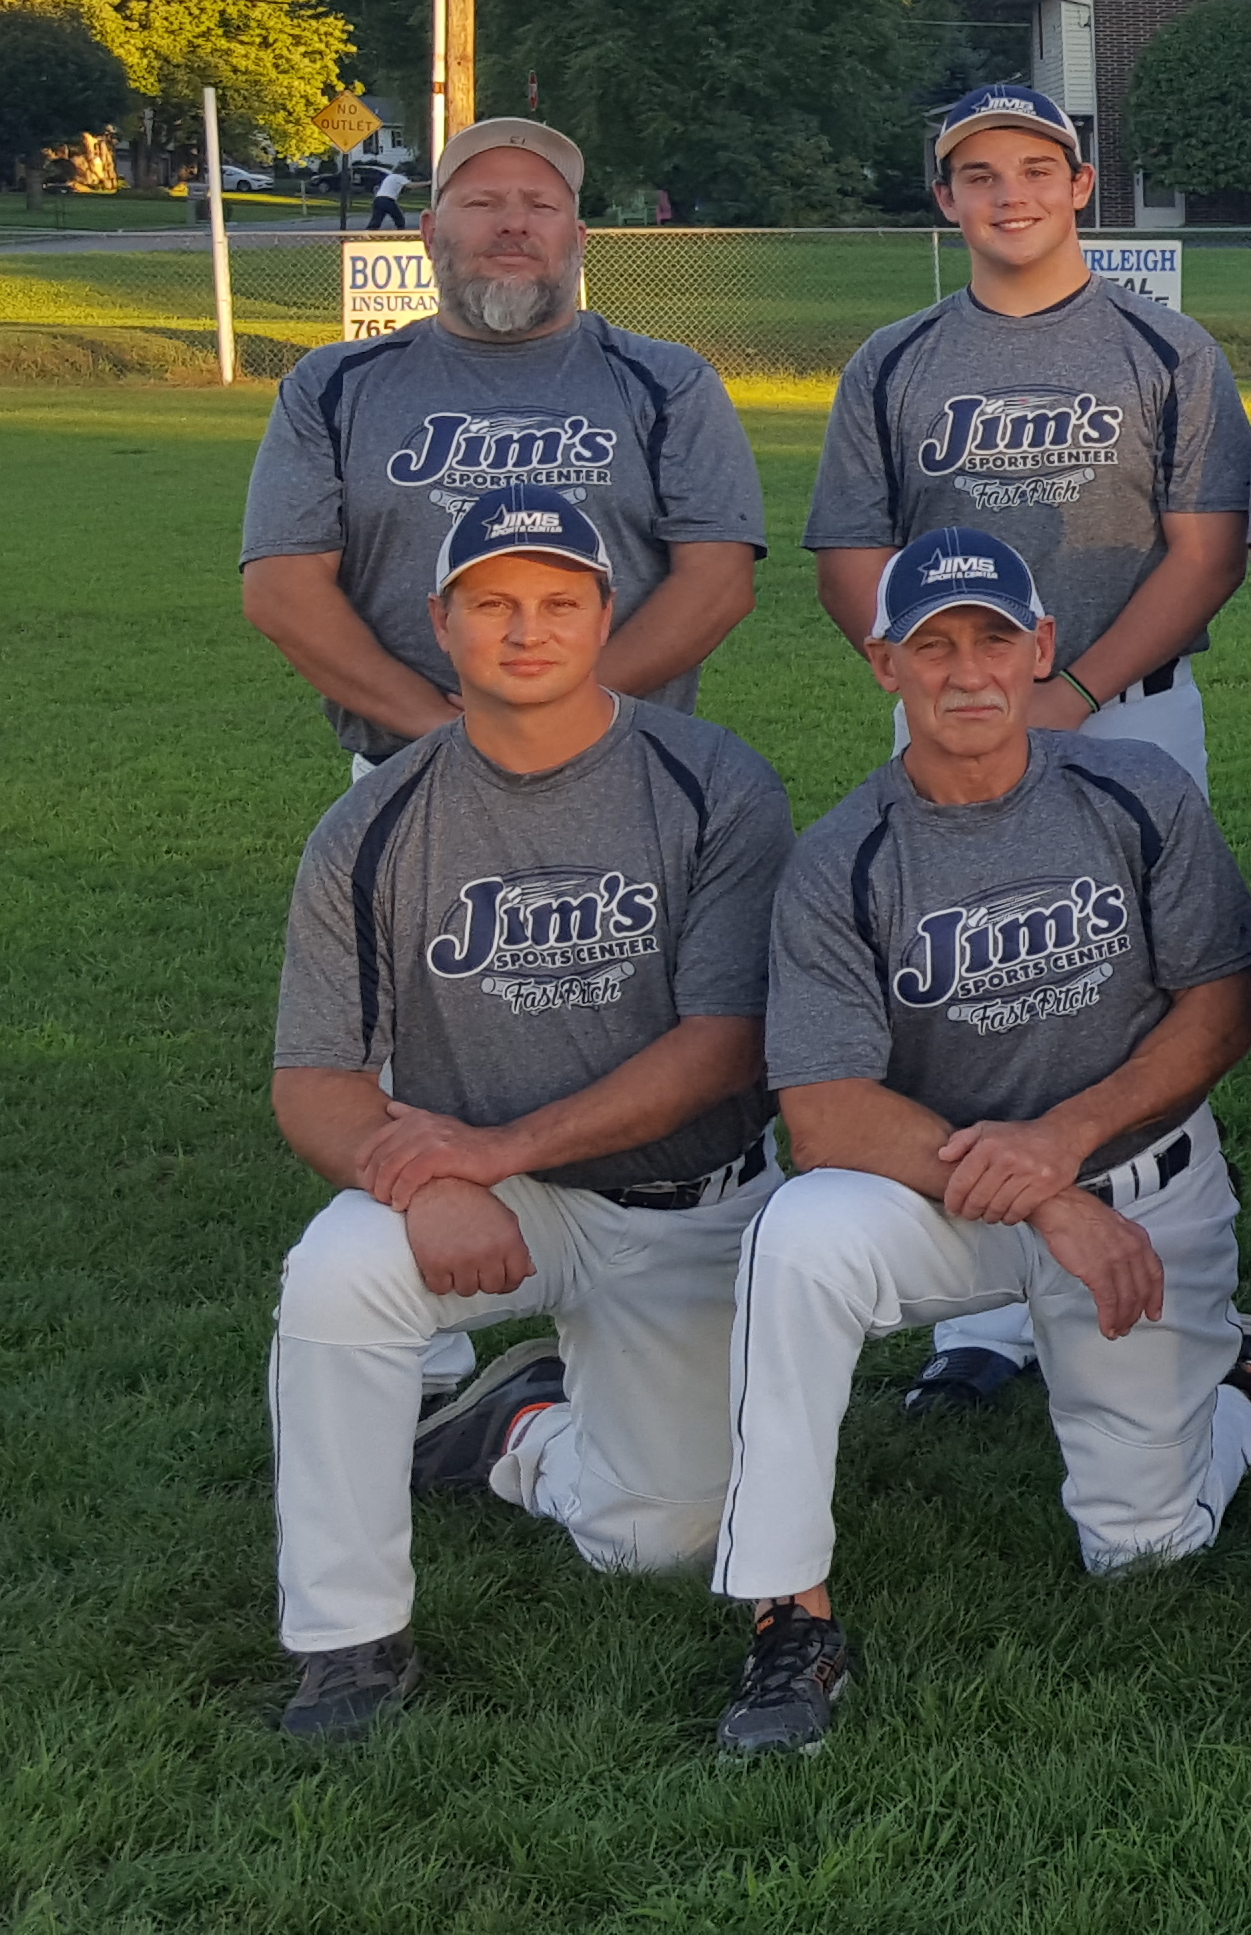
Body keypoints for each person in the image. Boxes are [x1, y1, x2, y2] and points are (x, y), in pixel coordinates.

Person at [702, 531, 1251, 1758]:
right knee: (797, 1237)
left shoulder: (1134, 794)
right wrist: (1047, 1194)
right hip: (959, 1204)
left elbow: (1221, 1005)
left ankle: (1232, 1384)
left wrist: (1064, 1144)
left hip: (1138, 1184)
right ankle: (786, 1614)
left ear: (1042, 652)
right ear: (882, 663)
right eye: (933, 644)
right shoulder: (842, 857)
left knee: (1144, 1551)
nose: (967, 672)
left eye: (994, 640)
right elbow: (825, 1113)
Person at [255, 492, 790, 1741]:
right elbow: (312, 1078)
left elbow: (727, 1044)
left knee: (658, 1540)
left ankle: (520, 1424)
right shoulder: (371, 824)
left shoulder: (712, 784)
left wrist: (495, 1152)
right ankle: (346, 1642)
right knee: (336, 1273)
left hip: (682, 1199)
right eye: (493, 603)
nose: (527, 631)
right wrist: (430, 1183)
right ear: (440, 623)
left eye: (560, 602)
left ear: (607, 617)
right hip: (488, 1196)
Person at [806, 80, 1251, 1420]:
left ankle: (1179, 1269)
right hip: (958, 707)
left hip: (1130, 708)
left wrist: (1078, 685)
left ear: (1079, 188)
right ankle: (992, 1314)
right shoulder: (896, 359)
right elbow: (850, 554)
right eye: (979, 174)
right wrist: (959, 687)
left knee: (1145, 977)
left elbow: (1205, 554)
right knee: (970, 984)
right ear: (946, 199)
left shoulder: (1164, 350)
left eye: (1033, 169)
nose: (1009, 194)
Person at [244, 114, 764, 784]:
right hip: (406, 766)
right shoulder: (333, 385)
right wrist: (443, 727)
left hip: (623, 763)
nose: (513, 224)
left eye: (540, 206)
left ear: (577, 239)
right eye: (482, 203)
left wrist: (563, 712)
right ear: (430, 234)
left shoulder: (668, 382)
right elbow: (282, 591)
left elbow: (718, 581)